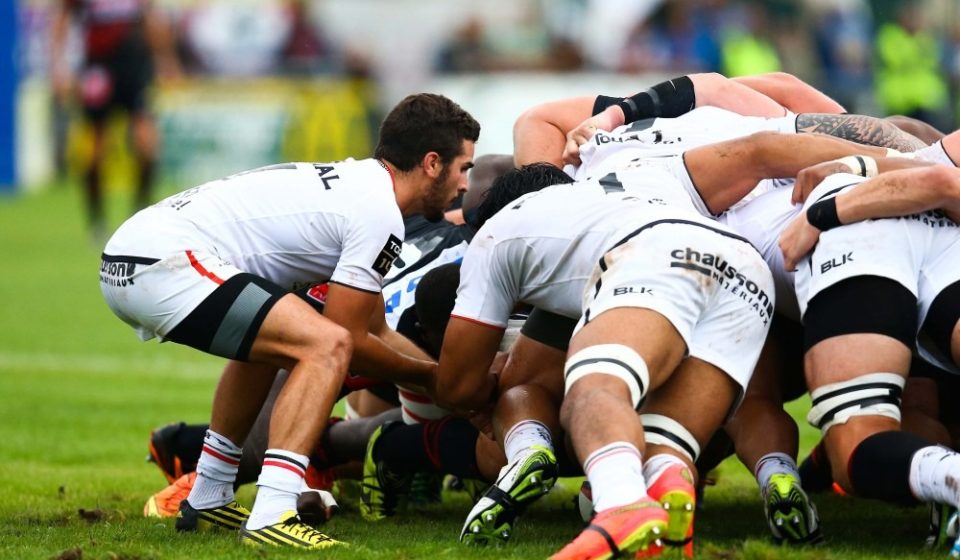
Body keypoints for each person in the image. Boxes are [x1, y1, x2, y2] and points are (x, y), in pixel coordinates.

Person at [99, 92, 479, 549]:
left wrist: (434, 378)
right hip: (160, 258)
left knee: (279, 338)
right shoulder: (378, 213)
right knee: (326, 345)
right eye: (464, 169)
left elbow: (375, 327)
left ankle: (209, 494)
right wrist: (436, 380)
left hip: (135, 253)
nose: (465, 186)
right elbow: (352, 340)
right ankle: (274, 511)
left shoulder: (364, 189)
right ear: (432, 163)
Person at [50, 0, 181, 238]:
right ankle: (96, 221)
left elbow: (151, 16)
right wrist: (59, 67)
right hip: (99, 66)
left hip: (135, 64)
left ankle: (140, 216)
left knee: (147, 144)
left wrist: (165, 58)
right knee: (96, 148)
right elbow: (62, 17)